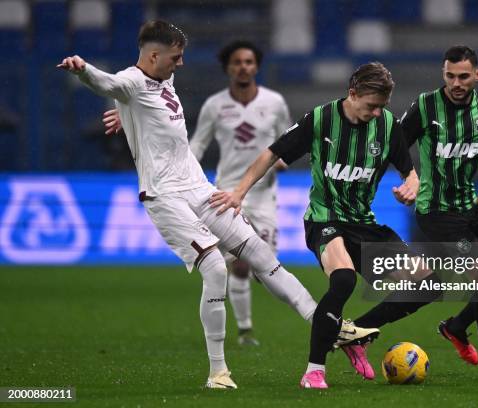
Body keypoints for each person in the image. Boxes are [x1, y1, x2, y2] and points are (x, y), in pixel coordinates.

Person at [58, 20, 374, 390]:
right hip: (165, 195)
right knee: (215, 268)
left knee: (262, 255)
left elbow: (145, 109)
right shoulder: (131, 80)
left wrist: (127, 117)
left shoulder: (163, 82)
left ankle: (331, 327)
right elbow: (108, 84)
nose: (181, 64)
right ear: (154, 55)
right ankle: (217, 372)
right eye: (175, 57)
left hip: (200, 188)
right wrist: (84, 71)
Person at [211, 62, 442, 389]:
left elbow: (409, 170)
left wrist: (412, 185)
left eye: (382, 107)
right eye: (371, 106)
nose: (376, 113)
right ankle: (314, 371)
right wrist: (238, 193)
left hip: (364, 224)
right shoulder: (321, 119)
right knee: (344, 279)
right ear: (352, 94)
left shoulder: (388, 126)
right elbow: (271, 154)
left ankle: (355, 334)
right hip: (325, 219)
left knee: (429, 284)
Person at [400, 45, 478, 378]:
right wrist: (410, 179)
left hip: (471, 209)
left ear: (476, 76)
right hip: (437, 212)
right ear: (444, 73)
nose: (456, 82)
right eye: (450, 75)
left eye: (463, 76)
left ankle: (456, 326)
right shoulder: (425, 106)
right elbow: (395, 145)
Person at [189, 40, 291, 346]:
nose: (243, 67)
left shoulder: (274, 103)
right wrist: (186, 172)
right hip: (227, 194)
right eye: (237, 62)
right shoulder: (215, 106)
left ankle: (251, 318)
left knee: (265, 269)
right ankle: (245, 329)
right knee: (240, 264)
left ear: (256, 67)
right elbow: (198, 145)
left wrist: (285, 158)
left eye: (248, 61)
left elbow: (289, 138)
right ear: (227, 68)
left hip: (263, 196)